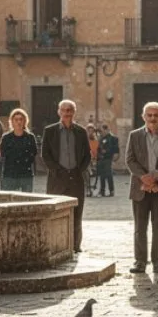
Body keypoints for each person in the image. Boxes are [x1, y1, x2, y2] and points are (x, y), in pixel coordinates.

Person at [126, 102, 158, 274]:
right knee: (140, 227)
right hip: (140, 188)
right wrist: (144, 179)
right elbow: (130, 160)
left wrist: (155, 177)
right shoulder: (134, 136)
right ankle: (140, 262)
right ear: (143, 117)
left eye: (156, 115)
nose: (153, 118)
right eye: (149, 115)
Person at [41, 99, 91, 252]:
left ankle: (75, 246)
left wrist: (79, 170)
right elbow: (45, 154)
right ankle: (56, 244)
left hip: (76, 178)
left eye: (70, 110)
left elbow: (87, 155)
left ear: (74, 112)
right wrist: (56, 170)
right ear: (59, 112)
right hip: (57, 178)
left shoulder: (81, 132)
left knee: (77, 212)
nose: (67, 113)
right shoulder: (50, 131)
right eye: (64, 110)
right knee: (55, 212)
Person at [0, 108, 39, 192]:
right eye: (16, 119)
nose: (19, 122)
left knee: (27, 200)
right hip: (10, 174)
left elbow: (34, 153)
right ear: (12, 121)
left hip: (26, 174)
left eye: (21, 119)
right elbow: (3, 154)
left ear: (25, 121)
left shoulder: (30, 137)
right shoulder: (6, 137)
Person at [96, 123, 119, 196]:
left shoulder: (113, 138)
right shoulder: (101, 138)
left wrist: (108, 152)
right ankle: (102, 191)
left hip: (108, 158)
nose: (102, 132)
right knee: (102, 175)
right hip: (101, 159)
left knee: (109, 175)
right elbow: (98, 148)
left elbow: (115, 149)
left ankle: (111, 191)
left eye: (103, 131)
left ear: (106, 130)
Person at [86, 124, 100, 196]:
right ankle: (88, 189)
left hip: (95, 160)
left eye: (92, 131)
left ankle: (92, 189)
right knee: (87, 175)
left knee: (95, 176)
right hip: (87, 160)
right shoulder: (85, 140)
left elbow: (98, 150)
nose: (90, 132)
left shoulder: (96, 140)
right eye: (89, 131)